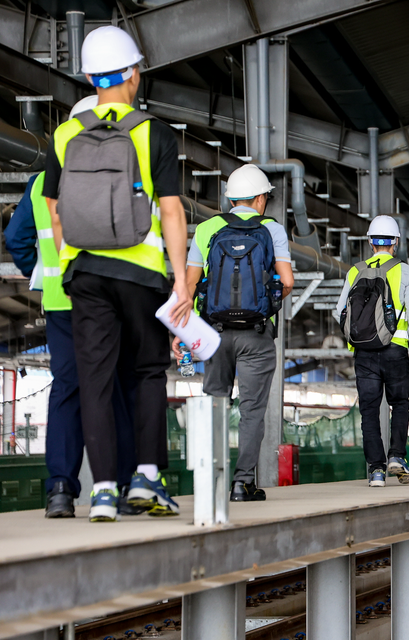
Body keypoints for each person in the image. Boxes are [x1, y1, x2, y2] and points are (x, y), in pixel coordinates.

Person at [44, 26, 192, 522]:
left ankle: (103, 491)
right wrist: (180, 281)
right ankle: (146, 478)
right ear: (133, 74)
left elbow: (55, 208)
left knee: (95, 380)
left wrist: (70, 261)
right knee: (147, 372)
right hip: (140, 272)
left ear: (90, 78)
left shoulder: (65, 135)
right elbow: (170, 211)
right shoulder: (153, 132)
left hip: (85, 274)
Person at [6, 95, 141, 518]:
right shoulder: (121, 174)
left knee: (67, 389)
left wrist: (43, 274)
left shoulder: (38, 184)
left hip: (61, 302)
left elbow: (15, 239)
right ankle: (119, 488)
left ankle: (61, 490)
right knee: (113, 388)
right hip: (110, 303)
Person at [173, 164, 294, 501]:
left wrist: (183, 331)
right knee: (252, 410)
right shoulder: (272, 229)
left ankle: (210, 483)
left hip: (214, 334)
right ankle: (242, 484)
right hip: (256, 334)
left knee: (215, 404)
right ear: (260, 199)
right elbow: (286, 282)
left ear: (230, 200)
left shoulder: (207, 228)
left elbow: (189, 285)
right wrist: (265, 302)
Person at [334, 215, 409, 487]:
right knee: (400, 404)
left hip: (364, 353)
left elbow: (339, 311)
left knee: (369, 411)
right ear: (395, 242)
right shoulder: (405, 271)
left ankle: (376, 470)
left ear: (370, 243)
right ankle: (397, 455)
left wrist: (356, 339)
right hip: (395, 349)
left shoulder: (355, 271)